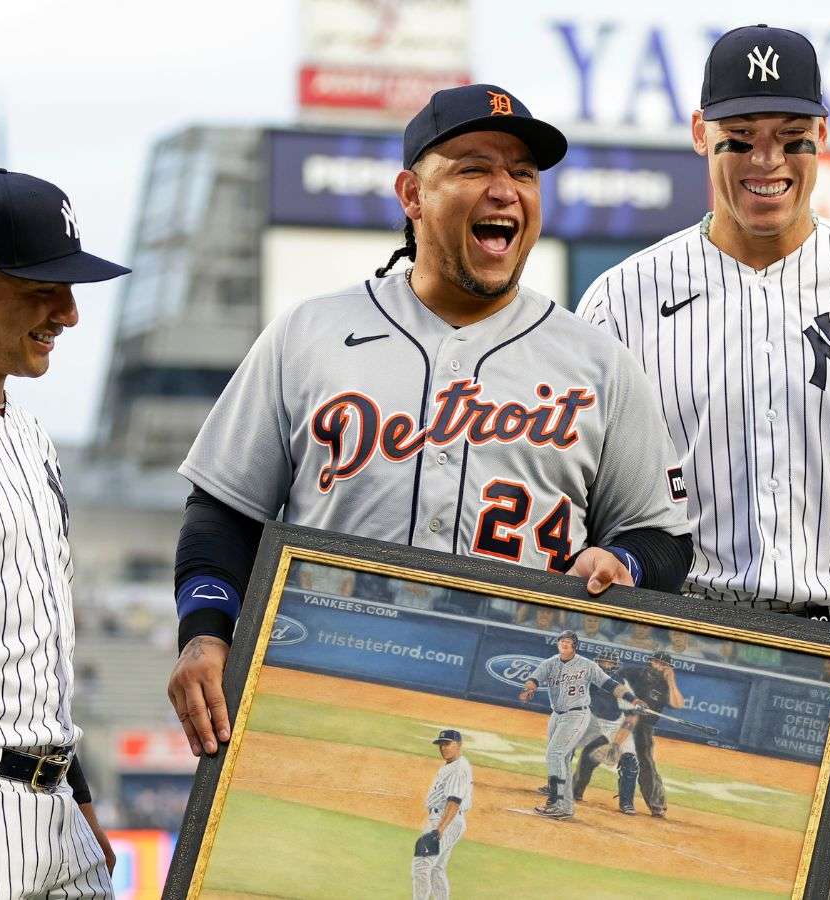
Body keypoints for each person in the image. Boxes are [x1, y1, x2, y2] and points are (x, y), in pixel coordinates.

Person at [578, 25, 830, 892]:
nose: (769, 162)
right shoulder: (623, 300)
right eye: (740, 140)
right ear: (699, 134)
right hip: (689, 654)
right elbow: (593, 502)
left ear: (822, 136)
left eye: (791, 139)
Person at [166, 84, 693, 756]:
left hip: (515, 709)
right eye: (475, 167)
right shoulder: (311, 334)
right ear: (412, 195)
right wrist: (204, 634)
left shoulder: (599, 363)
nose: (505, 189)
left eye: (524, 174)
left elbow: (663, 540)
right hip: (319, 685)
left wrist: (622, 563)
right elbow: (223, 510)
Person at [0, 169, 129, 896]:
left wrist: (82, 798)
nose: (68, 313)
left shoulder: (31, 436)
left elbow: (38, 646)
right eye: (41, 288)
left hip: (56, 803)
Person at [517, 631, 642, 818]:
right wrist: (529, 689)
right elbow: (534, 679)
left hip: (577, 714)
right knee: (563, 758)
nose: (564, 644)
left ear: (575, 645)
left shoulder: (587, 665)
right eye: (561, 641)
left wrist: (633, 700)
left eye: (568, 642)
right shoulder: (549, 663)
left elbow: (611, 685)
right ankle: (565, 807)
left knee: (555, 754)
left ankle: (555, 802)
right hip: (557, 715)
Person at [569, 647, 639, 814]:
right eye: (603, 661)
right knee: (568, 745)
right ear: (597, 662)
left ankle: (626, 803)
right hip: (591, 722)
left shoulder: (621, 684)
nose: (605, 665)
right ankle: (561, 787)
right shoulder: (587, 679)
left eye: (610, 663)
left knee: (630, 760)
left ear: (615, 665)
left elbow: (631, 718)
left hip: (614, 725)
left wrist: (616, 744)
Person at [623, 650, 685, 818]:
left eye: (663, 665)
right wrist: (630, 701)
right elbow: (612, 684)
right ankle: (571, 788)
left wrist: (671, 681)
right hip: (620, 719)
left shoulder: (665, 684)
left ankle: (656, 805)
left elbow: (678, 704)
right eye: (657, 662)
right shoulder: (634, 673)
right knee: (593, 748)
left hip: (643, 727)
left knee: (645, 762)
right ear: (650, 661)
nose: (659, 666)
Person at [412, 728, 473, 900]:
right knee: (436, 869)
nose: (443, 748)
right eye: (441, 744)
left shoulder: (459, 769)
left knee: (422, 866)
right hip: (446, 820)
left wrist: (439, 829)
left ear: (459, 745)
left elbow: (454, 801)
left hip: (445, 821)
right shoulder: (453, 765)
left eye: (447, 744)